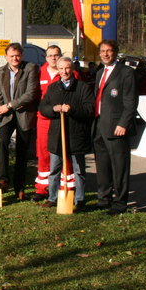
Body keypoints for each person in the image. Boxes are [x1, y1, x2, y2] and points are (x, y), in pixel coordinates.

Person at [38, 57, 94, 211]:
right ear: (58, 69)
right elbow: (43, 107)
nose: (64, 72)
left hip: (76, 134)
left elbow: (89, 110)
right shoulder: (53, 88)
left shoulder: (83, 87)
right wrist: (53, 109)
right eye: (61, 68)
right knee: (54, 168)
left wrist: (73, 109)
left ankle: (80, 199)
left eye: (67, 68)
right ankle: (52, 198)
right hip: (57, 135)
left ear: (72, 69)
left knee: (78, 170)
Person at [93, 39, 137, 215]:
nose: (105, 54)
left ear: (115, 52)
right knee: (102, 165)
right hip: (99, 125)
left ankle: (120, 203)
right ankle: (104, 200)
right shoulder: (99, 73)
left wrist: (123, 123)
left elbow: (131, 101)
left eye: (109, 51)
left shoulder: (126, 73)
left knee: (120, 167)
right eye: (102, 51)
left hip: (117, 126)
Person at [0, 42, 40, 201]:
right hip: (6, 116)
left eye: (18, 55)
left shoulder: (30, 68)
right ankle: (3, 179)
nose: (15, 58)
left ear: (22, 55)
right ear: (6, 56)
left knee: (22, 152)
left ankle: (19, 187)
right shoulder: (0, 72)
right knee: (2, 143)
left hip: (23, 114)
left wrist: (10, 105)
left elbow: (31, 93)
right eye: (12, 56)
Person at [33, 45, 65, 201]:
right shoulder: (39, 72)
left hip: (62, 120)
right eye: (50, 55)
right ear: (46, 58)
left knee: (63, 152)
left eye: (56, 55)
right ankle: (42, 188)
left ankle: (66, 186)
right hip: (44, 119)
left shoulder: (68, 71)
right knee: (43, 153)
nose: (53, 58)